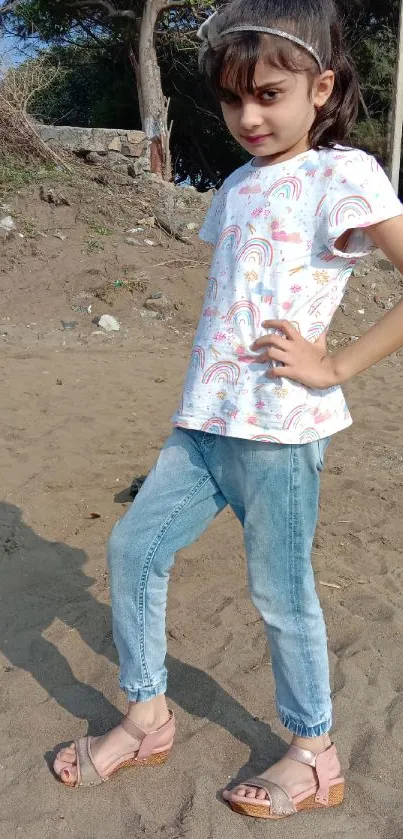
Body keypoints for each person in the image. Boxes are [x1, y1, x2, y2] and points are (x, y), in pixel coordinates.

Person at [53, 0, 403, 820]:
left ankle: (313, 753)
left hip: (279, 431)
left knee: (280, 592)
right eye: (231, 98)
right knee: (133, 546)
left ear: (319, 88)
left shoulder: (342, 173)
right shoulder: (241, 183)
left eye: (269, 94)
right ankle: (145, 715)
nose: (248, 115)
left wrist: (338, 362)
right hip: (203, 422)